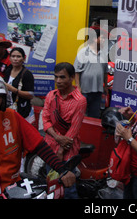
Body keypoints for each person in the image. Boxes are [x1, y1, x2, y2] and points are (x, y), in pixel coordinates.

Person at [42, 62, 86, 199]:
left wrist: (61, 150)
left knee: (68, 186)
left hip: (68, 149)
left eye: (62, 77)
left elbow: (74, 129)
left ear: (72, 77)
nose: (58, 81)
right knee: (52, 183)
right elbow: (46, 119)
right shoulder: (51, 95)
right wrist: (56, 137)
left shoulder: (80, 100)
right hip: (50, 145)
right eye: (56, 77)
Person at [74, 26, 108, 118]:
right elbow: (77, 71)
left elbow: (105, 71)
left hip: (98, 91)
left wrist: (106, 86)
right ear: (94, 38)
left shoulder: (103, 54)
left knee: (94, 116)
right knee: (81, 115)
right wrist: (78, 87)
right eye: (102, 38)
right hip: (84, 91)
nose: (104, 40)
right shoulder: (83, 52)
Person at [3, 47, 34, 119]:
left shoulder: (26, 74)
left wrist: (14, 90)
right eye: (13, 56)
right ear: (10, 58)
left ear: (23, 58)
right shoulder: (8, 71)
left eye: (18, 56)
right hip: (7, 109)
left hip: (21, 110)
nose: (15, 59)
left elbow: (30, 95)